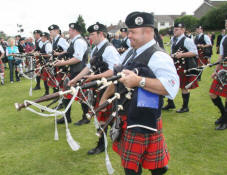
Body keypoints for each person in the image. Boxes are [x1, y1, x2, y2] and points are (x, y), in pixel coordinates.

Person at [100, 11, 179, 175]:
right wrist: (104, 97)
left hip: (145, 117)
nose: (128, 35)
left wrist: (139, 81)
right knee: (138, 163)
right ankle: (160, 168)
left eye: (133, 32)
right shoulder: (130, 52)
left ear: (149, 32)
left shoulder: (158, 56)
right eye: (128, 31)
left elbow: (171, 87)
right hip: (128, 114)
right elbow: (117, 77)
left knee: (132, 168)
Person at [68, 22, 120, 154]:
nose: (89, 37)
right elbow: (89, 67)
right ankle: (103, 143)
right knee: (99, 116)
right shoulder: (96, 48)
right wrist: (75, 80)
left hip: (108, 88)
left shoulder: (109, 49)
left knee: (105, 117)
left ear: (101, 34)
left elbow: (115, 71)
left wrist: (95, 77)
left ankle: (102, 145)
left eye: (92, 34)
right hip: (98, 87)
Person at [54, 22, 89, 124]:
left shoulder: (79, 42)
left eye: (70, 30)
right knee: (67, 95)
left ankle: (85, 117)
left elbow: (78, 58)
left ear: (74, 31)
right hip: (73, 71)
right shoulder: (74, 41)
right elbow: (70, 52)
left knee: (82, 96)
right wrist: (61, 54)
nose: (68, 31)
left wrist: (63, 63)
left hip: (80, 72)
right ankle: (67, 117)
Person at [162, 23, 198, 113]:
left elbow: (194, 52)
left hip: (184, 66)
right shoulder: (173, 40)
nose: (174, 31)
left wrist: (182, 54)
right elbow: (172, 52)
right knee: (169, 83)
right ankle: (170, 103)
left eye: (177, 29)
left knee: (184, 86)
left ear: (183, 30)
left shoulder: (187, 40)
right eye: (174, 29)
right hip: (174, 65)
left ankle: (185, 107)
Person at [209, 31, 227, 130]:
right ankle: (224, 115)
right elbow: (221, 55)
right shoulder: (224, 38)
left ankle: (225, 120)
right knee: (212, 93)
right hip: (223, 68)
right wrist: (216, 70)